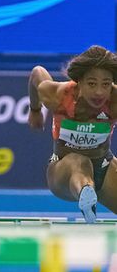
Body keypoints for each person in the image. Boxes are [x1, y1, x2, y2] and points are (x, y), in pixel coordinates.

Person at [28, 45, 117, 223]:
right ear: (80, 81)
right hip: (62, 170)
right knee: (79, 161)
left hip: (104, 167)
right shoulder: (59, 95)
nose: (99, 92)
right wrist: (35, 109)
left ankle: (89, 193)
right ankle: (86, 195)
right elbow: (37, 73)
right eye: (92, 84)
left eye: (105, 84)